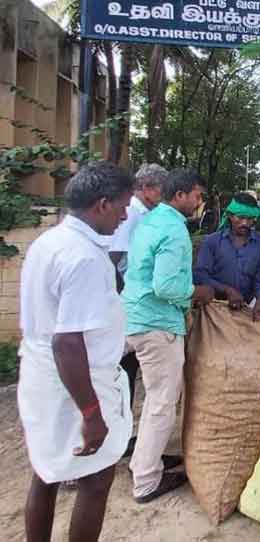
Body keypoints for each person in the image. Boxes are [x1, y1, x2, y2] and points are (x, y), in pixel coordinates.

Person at [18, 161, 134, 542]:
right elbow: (67, 342)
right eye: (122, 206)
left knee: (46, 471)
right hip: (74, 383)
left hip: (43, 377)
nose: (125, 215)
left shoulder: (49, 243)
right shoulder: (83, 258)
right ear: (102, 205)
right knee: (97, 480)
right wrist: (91, 413)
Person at [121, 169, 215, 504]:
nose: (199, 202)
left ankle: (143, 459)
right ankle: (146, 480)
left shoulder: (150, 220)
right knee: (162, 401)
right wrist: (197, 292)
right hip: (157, 324)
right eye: (197, 195)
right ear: (181, 196)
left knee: (146, 399)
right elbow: (167, 286)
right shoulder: (174, 229)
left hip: (130, 314)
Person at [108, 163, 168, 459]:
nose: (163, 193)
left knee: (129, 371)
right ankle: (114, 439)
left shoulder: (146, 214)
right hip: (127, 305)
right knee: (120, 374)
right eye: (160, 188)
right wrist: (125, 299)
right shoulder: (130, 214)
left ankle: (124, 437)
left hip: (134, 304)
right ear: (146, 188)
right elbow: (115, 260)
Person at [194, 192, 260, 318]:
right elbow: (200, 274)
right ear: (230, 216)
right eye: (240, 218)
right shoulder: (211, 241)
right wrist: (227, 290)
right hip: (214, 307)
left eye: (250, 219)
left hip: (246, 308)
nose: (245, 223)